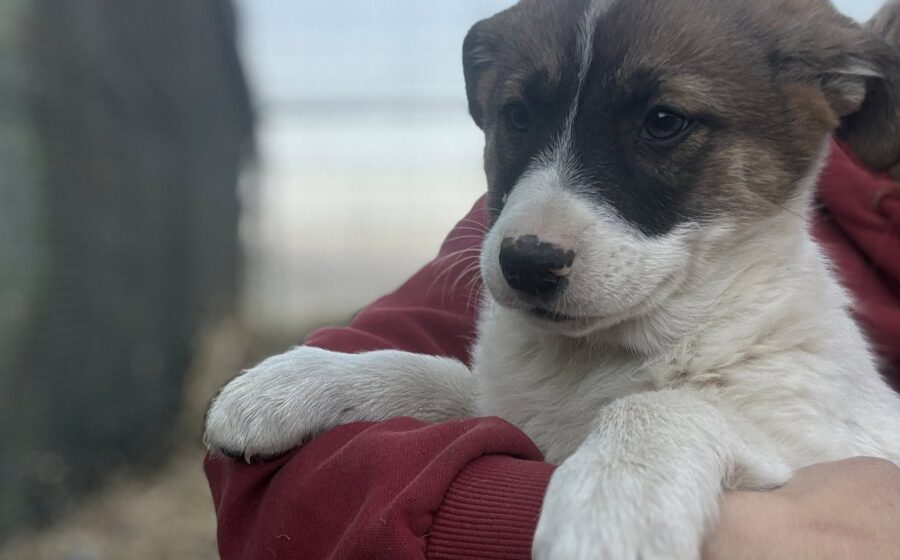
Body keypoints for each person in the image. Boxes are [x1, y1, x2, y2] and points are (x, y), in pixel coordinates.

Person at [204, 139, 900, 560]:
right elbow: (280, 491)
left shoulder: (786, 303)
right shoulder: (532, 224)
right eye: (514, 117)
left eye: (663, 124)